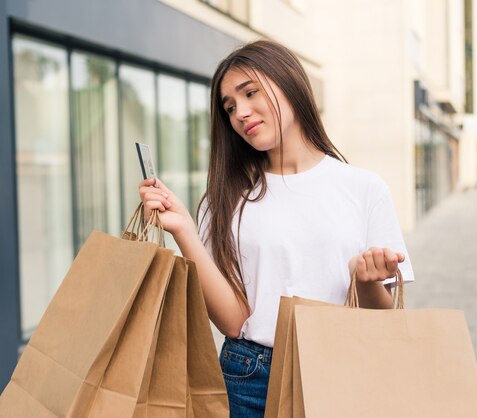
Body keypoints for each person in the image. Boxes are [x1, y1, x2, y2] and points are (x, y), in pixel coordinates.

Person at [138, 39, 415, 417]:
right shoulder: (224, 199)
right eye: (230, 106)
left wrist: (366, 281)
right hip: (249, 376)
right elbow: (234, 322)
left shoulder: (364, 189)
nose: (240, 113)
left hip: (341, 370)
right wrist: (184, 229)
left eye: (250, 93)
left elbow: (386, 325)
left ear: (290, 84)